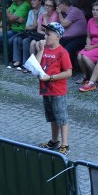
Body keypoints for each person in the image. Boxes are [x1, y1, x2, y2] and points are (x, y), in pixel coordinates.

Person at [35, 22, 73, 156]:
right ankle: (54, 141)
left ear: (57, 36)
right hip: (46, 90)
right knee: (52, 117)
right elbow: (36, 65)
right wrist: (40, 49)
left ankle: (65, 144)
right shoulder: (45, 49)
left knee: (62, 117)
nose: (45, 36)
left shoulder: (62, 52)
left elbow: (68, 72)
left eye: (48, 34)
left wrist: (51, 77)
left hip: (57, 91)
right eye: (45, 33)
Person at [75, 2, 98, 85]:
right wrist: (89, 45)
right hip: (92, 45)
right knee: (79, 56)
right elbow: (88, 36)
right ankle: (86, 76)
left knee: (86, 57)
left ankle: (97, 77)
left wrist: (92, 47)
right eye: (93, 9)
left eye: (97, 10)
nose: (94, 12)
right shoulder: (90, 21)